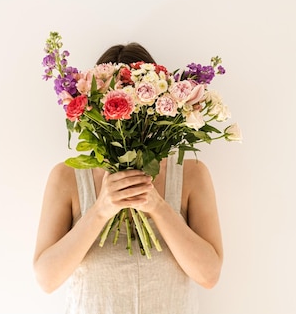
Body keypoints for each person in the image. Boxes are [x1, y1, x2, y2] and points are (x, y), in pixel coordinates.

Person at [33, 43, 224, 314]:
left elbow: (209, 275)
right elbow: (46, 279)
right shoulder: (67, 177)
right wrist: (101, 210)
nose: (123, 118)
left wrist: (157, 206)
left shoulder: (192, 174)